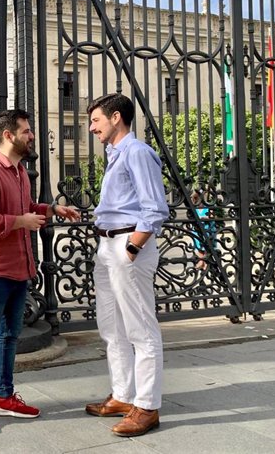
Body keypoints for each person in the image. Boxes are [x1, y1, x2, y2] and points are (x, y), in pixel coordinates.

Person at [0, 109, 80, 436]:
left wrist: (51, 209)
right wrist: (21, 222)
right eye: (26, 131)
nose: (31, 136)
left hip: (18, 269)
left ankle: (3, 396)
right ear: (9, 135)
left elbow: (24, 209)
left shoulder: (20, 172)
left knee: (9, 336)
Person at [85, 93, 169, 437]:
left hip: (126, 245)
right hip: (107, 246)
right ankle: (122, 395)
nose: (92, 128)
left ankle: (147, 406)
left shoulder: (137, 152)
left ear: (116, 117)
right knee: (111, 326)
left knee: (140, 329)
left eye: (95, 121)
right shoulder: (115, 154)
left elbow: (155, 207)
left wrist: (133, 247)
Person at [191, 191, 213, 271]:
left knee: (206, 246)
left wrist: (206, 218)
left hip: (207, 230)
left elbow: (212, 217)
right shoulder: (194, 209)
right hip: (197, 231)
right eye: (196, 200)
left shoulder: (208, 208)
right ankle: (202, 261)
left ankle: (203, 262)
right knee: (197, 247)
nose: (198, 202)